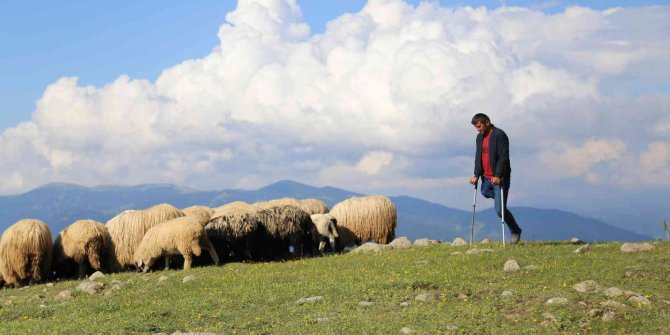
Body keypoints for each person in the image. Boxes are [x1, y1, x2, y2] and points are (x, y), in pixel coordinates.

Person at [468, 113, 522, 244]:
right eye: (476, 127)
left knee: (499, 210)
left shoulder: (499, 135)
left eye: (479, 126)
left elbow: (503, 158)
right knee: (485, 192)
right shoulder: (479, 137)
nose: (478, 129)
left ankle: (515, 230)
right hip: (486, 178)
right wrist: (476, 175)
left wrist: (498, 176)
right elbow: (478, 157)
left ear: (487, 122)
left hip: (499, 177)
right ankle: (499, 198)